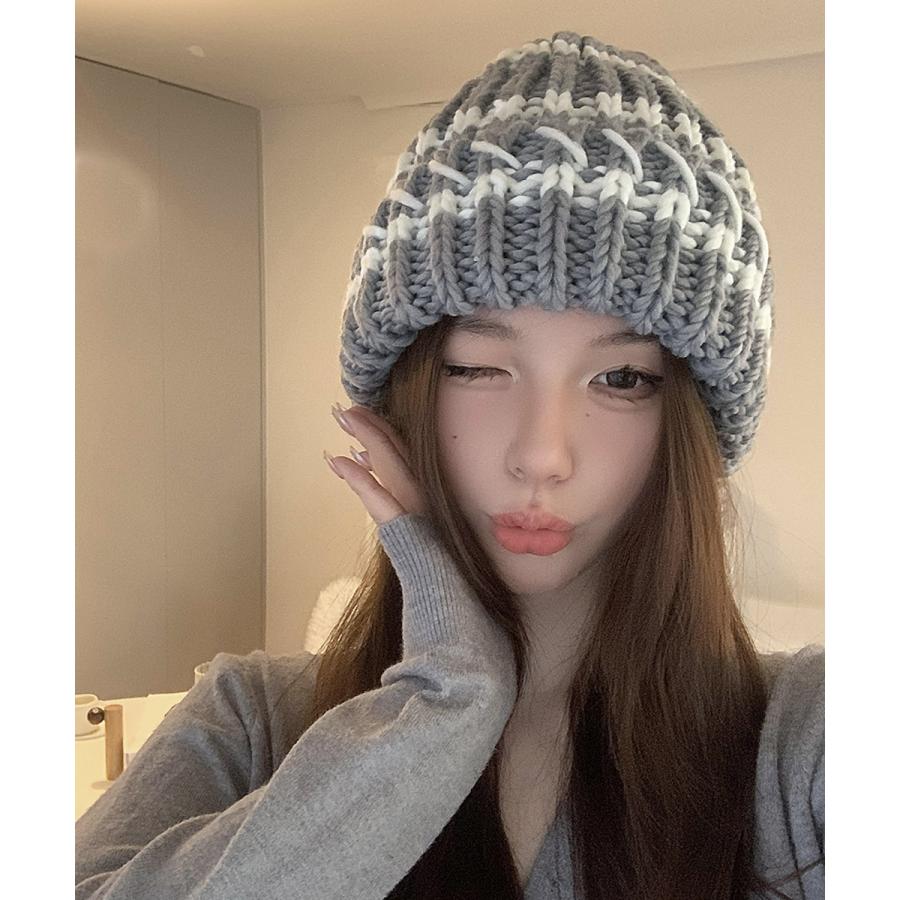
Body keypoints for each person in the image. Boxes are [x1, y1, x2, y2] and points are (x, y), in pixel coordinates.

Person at [75, 30, 824, 900]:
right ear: (406, 396)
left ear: (693, 425)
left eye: (622, 379)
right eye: (478, 368)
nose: (541, 454)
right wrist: (435, 712)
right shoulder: (248, 726)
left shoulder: (805, 745)